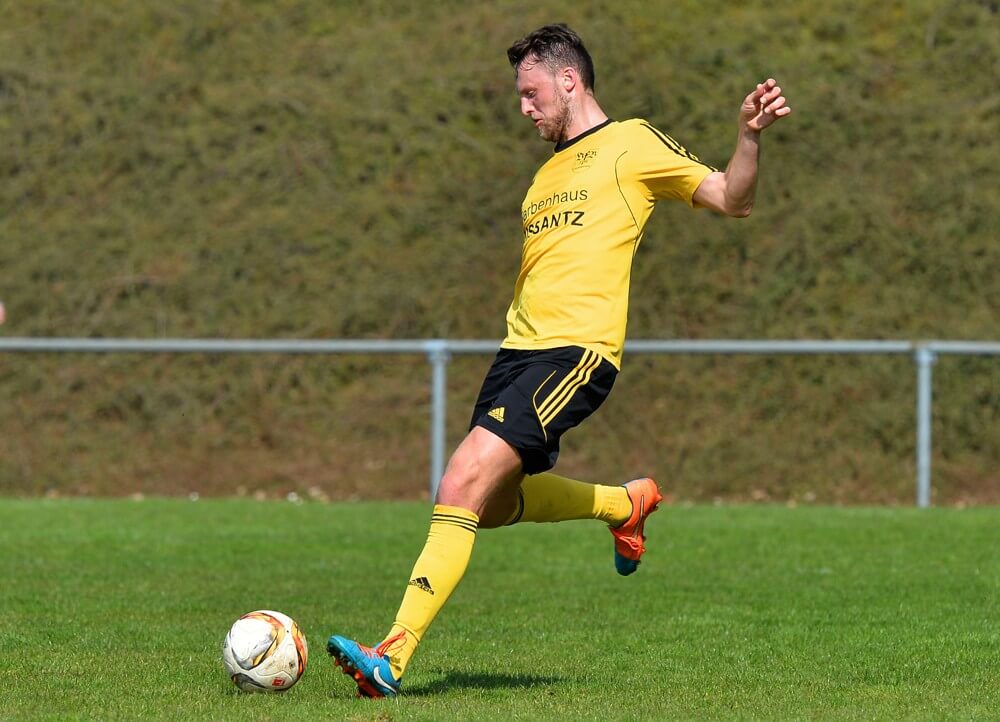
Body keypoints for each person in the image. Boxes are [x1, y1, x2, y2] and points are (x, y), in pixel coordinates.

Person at [327, 23, 791, 698]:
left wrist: (748, 137)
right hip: (515, 354)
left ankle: (390, 659)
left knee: (459, 482)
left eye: (531, 92)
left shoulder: (632, 142)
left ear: (569, 80)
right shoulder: (543, 176)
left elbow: (731, 199)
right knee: (486, 505)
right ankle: (624, 504)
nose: (524, 108)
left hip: (575, 352)